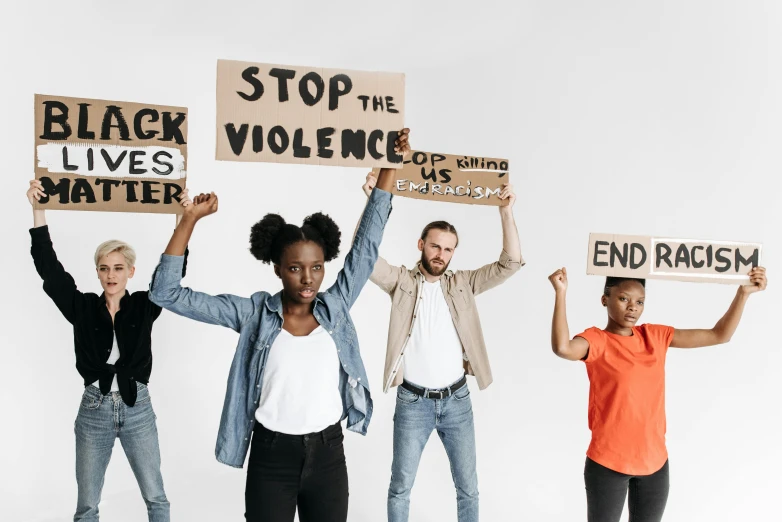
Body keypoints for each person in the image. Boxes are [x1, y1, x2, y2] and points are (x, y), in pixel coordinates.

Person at [148, 129, 410, 522]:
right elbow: (165, 293)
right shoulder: (253, 314)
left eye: (316, 268)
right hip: (271, 457)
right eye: (295, 268)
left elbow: (367, 244)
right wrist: (189, 221)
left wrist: (390, 164)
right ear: (277, 269)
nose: (308, 279)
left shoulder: (336, 305)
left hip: (328, 456)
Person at [26, 179, 191, 522]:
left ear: (131, 271)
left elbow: (173, 271)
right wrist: (37, 209)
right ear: (97, 272)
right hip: (94, 410)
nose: (111, 275)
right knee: (87, 505)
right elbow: (49, 268)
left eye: (118, 268)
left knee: (156, 498)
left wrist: (182, 216)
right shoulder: (82, 307)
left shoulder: (146, 305)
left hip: (138, 408)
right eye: (104, 268)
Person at [361, 173, 523, 522]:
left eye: (448, 248)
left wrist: (506, 212)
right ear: (421, 244)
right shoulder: (402, 281)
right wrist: (373, 202)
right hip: (412, 402)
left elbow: (509, 264)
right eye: (436, 246)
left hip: (457, 401)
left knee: (468, 488)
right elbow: (366, 260)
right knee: (400, 487)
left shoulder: (463, 283)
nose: (441, 254)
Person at [547, 266, 768, 522]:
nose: (633, 307)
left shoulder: (654, 336)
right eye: (623, 298)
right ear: (604, 299)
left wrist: (743, 293)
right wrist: (561, 293)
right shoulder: (596, 340)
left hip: (655, 465)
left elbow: (720, 335)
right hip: (608, 463)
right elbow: (563, 348)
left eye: (640, 301)